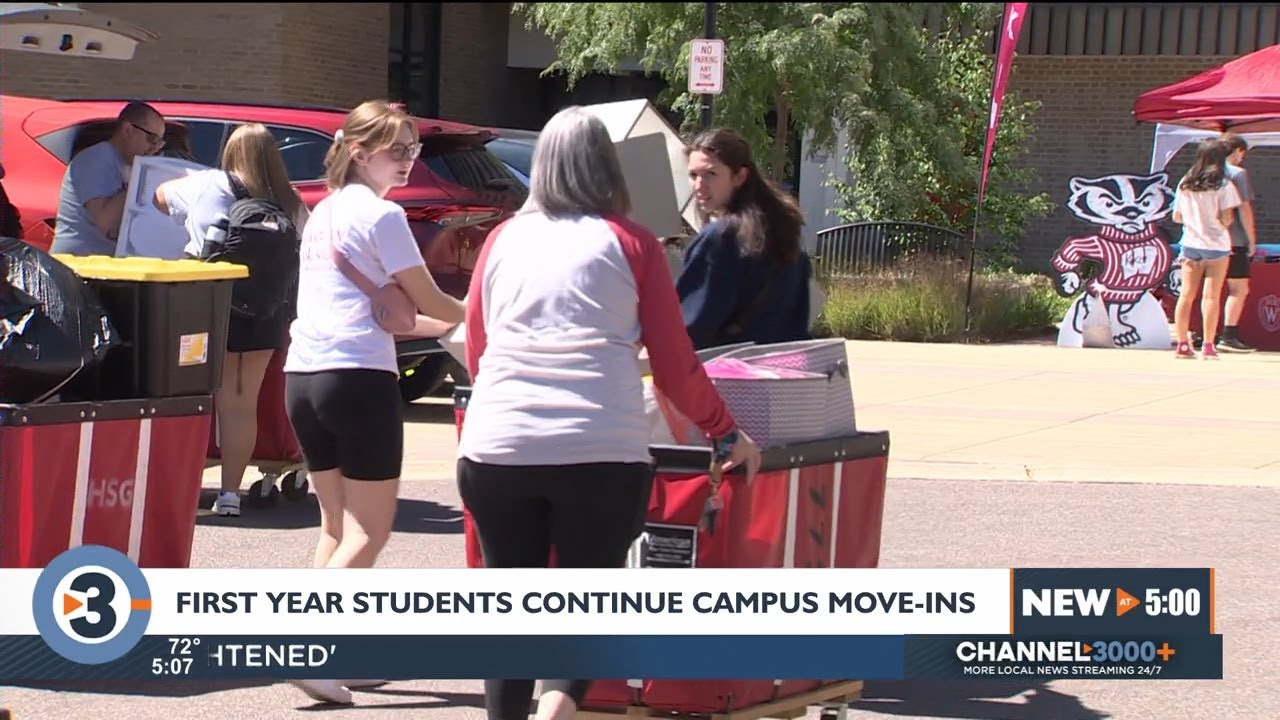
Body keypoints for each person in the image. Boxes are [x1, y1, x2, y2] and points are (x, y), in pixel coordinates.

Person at [457, 106, 763, 720]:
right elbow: (675, 365)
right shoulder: (631, 243)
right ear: (607, 167)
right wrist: (727, 433)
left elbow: (476, 347)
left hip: (498, 447)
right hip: (600, 449)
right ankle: (560, 703)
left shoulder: (501, 240)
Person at [282, 100, 466, 706]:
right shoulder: (383, 217)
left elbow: (378, 307)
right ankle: (306, 644)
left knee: (335, 525)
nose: (409, 159)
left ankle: (330, 658)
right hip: (357, 378)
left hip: (303, 375)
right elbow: (432, 301)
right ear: (359, 152)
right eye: (397, 149)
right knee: (372, 529)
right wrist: (491, 315)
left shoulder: (323, 212)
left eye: (413, 148)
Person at [153, 123, 310, 518]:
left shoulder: (207, 184)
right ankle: (230, 496)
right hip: (266, 314)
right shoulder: (290, 202)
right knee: (242, 403)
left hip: (208, 304)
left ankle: (182, 486)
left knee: (193, 397)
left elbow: (158, 198)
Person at [675, 127, 812, 350]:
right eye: (693, 175)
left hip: (732, 375)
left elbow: (689, 326)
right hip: (785, 372)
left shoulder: (720, 238)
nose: (699, 186)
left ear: (739, 176)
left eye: (710, 174)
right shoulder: (783, 230)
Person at [50, 102, 166, 256]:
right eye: (152, 139)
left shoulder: (129, 165)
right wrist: (142, 179)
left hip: (104, 266)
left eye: (160, 143)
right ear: (127, 130)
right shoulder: (98, 158)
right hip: (79, 267)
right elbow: (106, 221)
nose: (155, 148)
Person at [1171, 138, 1241, 360]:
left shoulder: (1185, 183)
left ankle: (1183, 343)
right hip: (1217, 245)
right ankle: (1209, 345)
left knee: (1186, 295)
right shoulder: (1224, 185)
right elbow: (1228, 218)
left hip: (1191, 243)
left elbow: (1177, 216)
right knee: (1210, 296)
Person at [1218, 132, 1257, 353]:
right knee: (1238, 288)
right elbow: (1244, 209)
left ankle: (1201, 334)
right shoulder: (1237, 174)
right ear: (1238, 151)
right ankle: (1229, 334)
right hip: (1234, 240)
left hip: (1200, 241)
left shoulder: (1197, 173)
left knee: (1207, 291)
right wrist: (1252, 240)